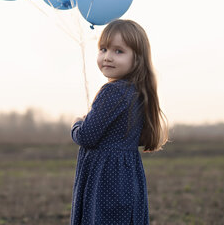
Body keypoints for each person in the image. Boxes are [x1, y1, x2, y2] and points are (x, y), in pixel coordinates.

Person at [70, 19, 168, 225]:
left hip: (105, 179)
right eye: (103, 49)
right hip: (127, 176)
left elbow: (87, 136)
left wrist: (77, 123)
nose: (107, 57)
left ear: (138, 59)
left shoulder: (112, 92)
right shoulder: (138, 92)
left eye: (118, 51)